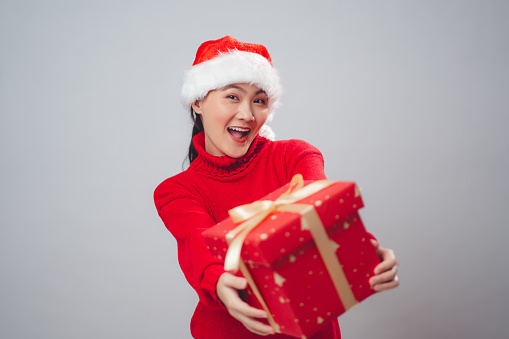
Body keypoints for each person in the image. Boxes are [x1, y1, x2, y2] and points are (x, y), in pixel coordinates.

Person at [154, 36, 399, 338]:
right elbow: (197, 243)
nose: (247, 114)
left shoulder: (295, 157)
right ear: (197, 100)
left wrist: (364, 249)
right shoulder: (177, 191)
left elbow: (318, 217)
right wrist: (217, 280)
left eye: (259, 100)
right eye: (233, 96)